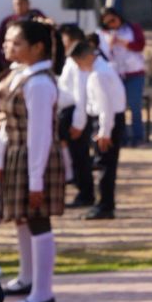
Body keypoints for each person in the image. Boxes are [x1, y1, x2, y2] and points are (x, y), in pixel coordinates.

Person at [0, 17, 64, 302]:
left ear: (37, 47)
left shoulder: (40, 83)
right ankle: (27, 277)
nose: (10, 47)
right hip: (19, 153)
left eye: (17, 43)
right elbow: (10, 122)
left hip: (35, 156)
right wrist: (0, 157)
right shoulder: (22, 74)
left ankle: (42, 293)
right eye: (9, 41)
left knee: (38, 219)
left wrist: (36, 181)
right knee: (22, 218)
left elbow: (40, 134)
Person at [69, 40, 126, 220]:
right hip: (110, 120)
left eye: (79, 63)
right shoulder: (102, 69)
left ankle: (105, 205)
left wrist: (104, 132)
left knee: (105, 165)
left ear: (87, 57)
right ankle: (104, 204)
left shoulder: (98, 75)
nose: (79, 67)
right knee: (105, 164)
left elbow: (105, 107)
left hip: (107, 121)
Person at [54, 24, 95, 210]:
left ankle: (86, 193)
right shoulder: (71, 60)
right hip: (69, 111)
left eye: (64, 39)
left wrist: (79, 122)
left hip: (75, 112)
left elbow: (81, 94)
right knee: (75, 155)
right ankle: (83, 190)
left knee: (80, 156)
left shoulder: (76, 61)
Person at [99, 8, 149, 145]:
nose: (112, 24)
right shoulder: (102, 34)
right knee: (118, 107)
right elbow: (103, 55)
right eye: (108, 22)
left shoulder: (133, 28)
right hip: (115, 74)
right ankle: (122, 137)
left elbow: (140, 45)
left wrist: (121, 42)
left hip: (134, 72)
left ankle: (138, 136)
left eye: (113, 20)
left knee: (135, 106)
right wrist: (109, 44)